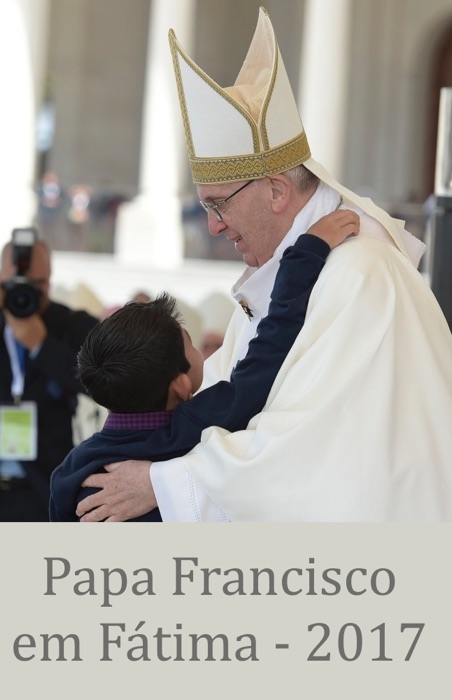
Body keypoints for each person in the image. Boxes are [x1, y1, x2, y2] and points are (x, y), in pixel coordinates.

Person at [77, 7, 452, 523]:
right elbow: (227, 408)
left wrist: (162, 484)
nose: (212, 226)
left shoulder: (361, 276)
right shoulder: (279, 278)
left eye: (219, 204)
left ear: (276, 190)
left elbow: (307, 459)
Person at [50, 211, 357, 521]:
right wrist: (306, 254)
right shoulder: (194, 426)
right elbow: (267, 353)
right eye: (190, 345)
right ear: (181, 384)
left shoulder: (72, 470)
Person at [0, 232, 98, 521]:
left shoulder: (71, 325)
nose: (25, 293)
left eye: (37, 284)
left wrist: (43, 346)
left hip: (44, 488)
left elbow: (108, 384)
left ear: (50, 279)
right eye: (16, 284)